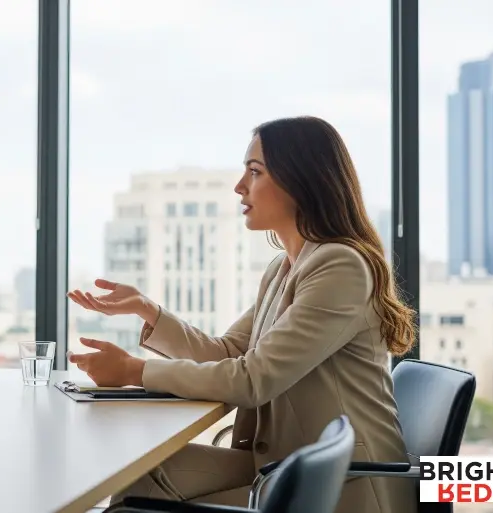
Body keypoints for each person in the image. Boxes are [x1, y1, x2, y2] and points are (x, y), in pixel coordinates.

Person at [68, 116, 418, 513]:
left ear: (301, 180)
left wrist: (133, 372)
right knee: (143, 471)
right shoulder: (284, 268)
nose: (240, 186)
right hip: (283, 464)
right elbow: (229, 352)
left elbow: (254, 379)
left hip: (341, 484)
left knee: (141, 496)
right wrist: (149, 311)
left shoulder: (339, 266)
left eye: (255, 172)